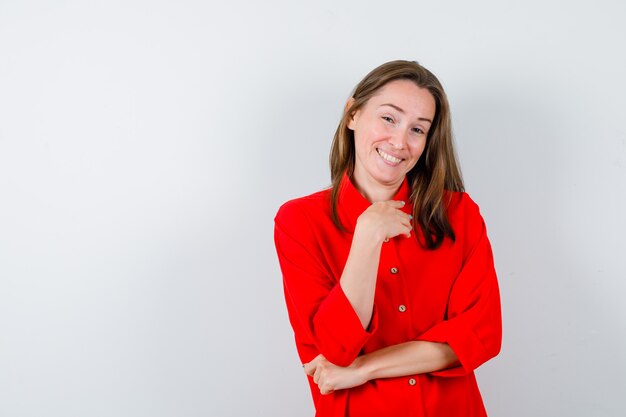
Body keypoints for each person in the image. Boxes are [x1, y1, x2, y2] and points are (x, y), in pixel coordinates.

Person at [274, 60, 502, 417]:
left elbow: (480, 337)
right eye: (388, 118)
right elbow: (335, 350)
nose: (399, 141)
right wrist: (367, 237)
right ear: (352, 114)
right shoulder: (299, 222)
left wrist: (364, 369)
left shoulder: (459, 214)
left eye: (418, 129)